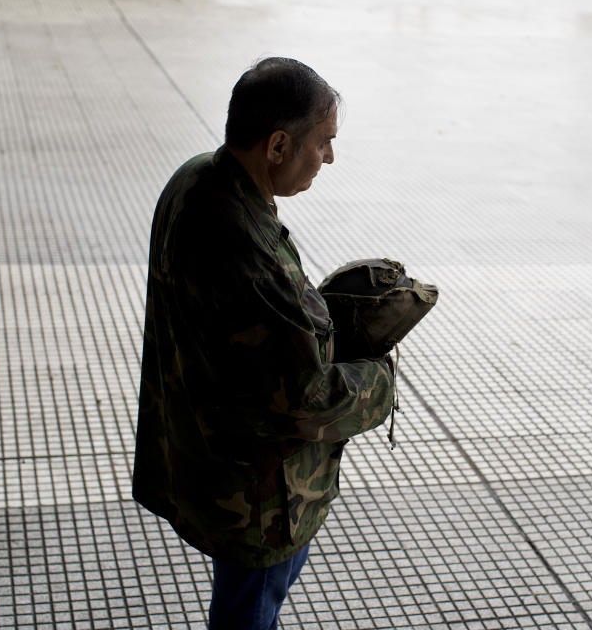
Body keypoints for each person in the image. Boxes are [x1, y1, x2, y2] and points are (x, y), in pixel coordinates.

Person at [132, 57, 395, 630]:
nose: (328, 158)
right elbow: (309, 400)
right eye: (322, 143)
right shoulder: (251, 256)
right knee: (248, 613)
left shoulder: (196, 178)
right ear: (278, 145)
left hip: (197, 451)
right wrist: (379, 378)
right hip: (255, 495)